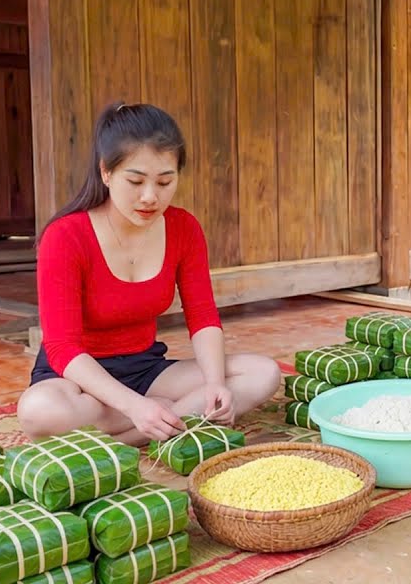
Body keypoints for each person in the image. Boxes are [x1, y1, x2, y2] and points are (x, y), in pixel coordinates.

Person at [17, 103, 281, 445]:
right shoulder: (66, 236)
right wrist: (136, 406)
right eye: (136, 180)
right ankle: (163, 420)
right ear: (106, 172)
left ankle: (135, 430)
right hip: (77, 379)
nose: (150, 197)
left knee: (263, 373)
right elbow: (62, 347)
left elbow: (202, 317)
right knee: (39, 410)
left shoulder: (183, 228)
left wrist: (215, 383)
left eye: (165, 181)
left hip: (146, 369)